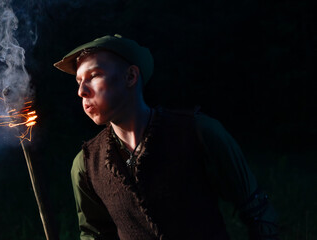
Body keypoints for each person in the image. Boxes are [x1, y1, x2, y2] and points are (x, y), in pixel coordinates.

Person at [54, 34, 279, 240]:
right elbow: (95, 235)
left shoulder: (199, 132)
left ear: (130, 76)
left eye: (93, 76)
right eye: (78, 81)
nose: (81, 91)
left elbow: (257, 212)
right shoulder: (85, 164)